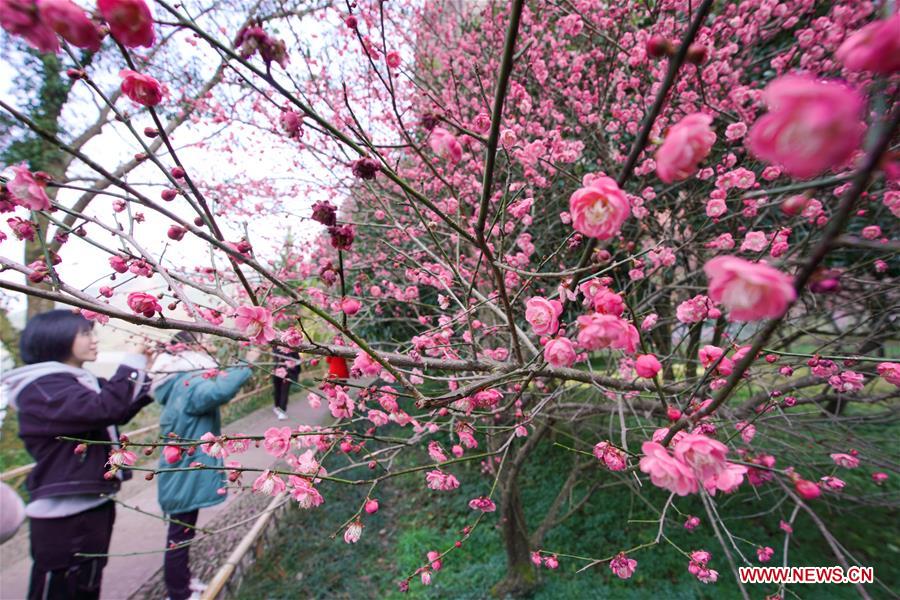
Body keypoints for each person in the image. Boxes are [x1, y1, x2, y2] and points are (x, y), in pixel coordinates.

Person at [1, 309, 153, 600]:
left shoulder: (73, 381)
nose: (94, 340)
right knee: (61, 587)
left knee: (87, 582)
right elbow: (104, 408)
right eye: (85, 334)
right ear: (55, 339)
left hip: (88, 503)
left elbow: (115, 410)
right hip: (65, 516)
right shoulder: (42, 387)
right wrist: (131, 364)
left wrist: (142, 370)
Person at [151, 332, 259, 600]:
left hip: (182, 470)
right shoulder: (190, 382)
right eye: (203, 340)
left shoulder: (177, 380)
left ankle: (184, 583)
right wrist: (248, 362)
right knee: (179, 535)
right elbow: (217, 391)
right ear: (189, 347)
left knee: (183, 531)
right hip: (186, 472)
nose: (209, 345)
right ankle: (177, 593)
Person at [271, 349, 300, 420]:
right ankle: (280, 410)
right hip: (282, 372)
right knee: (281, 391)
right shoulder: (278, 348)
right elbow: (297, 361)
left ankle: (279, 409)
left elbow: (296, 362)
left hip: (283, 373)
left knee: (279, 391)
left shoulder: (276, 348)